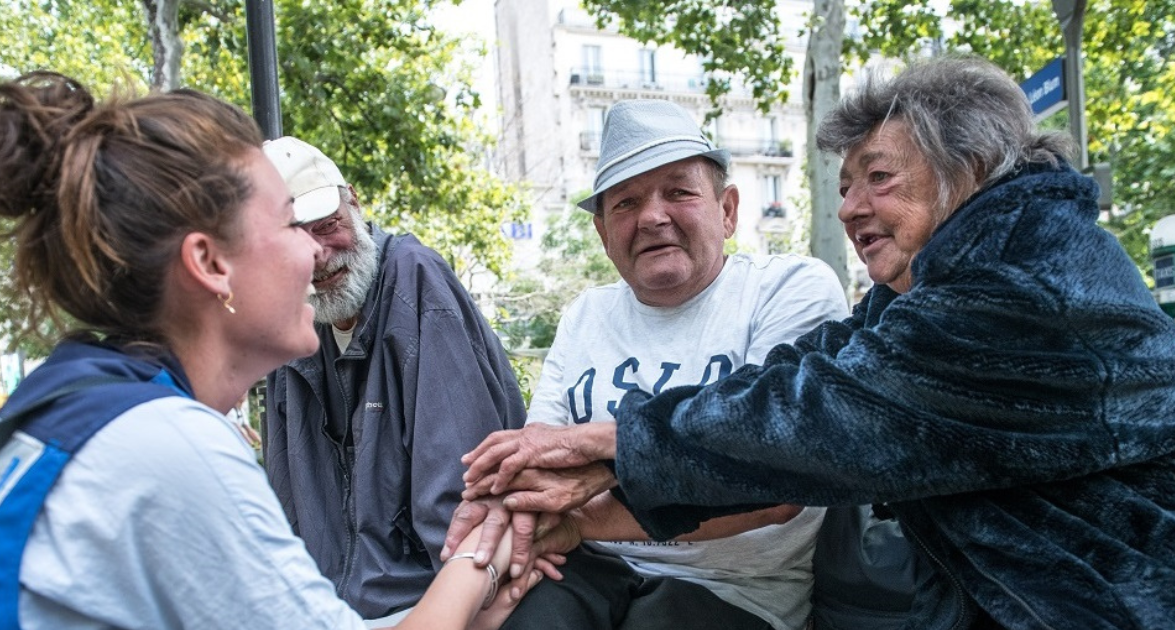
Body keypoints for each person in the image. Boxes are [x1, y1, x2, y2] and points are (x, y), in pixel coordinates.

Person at [455, 56, 1175, 629]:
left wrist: (603, 448)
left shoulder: (1028, 279)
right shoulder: (926, 287)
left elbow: (823, 418)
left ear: (966, 169)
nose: (849, 208)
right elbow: (802, 372)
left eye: (878, 178)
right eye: (845, 187)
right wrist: (561, 485)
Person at [0, 70, 552, 629]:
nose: (313, 255)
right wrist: (481, 563)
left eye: (321, 225)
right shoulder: (170, 447)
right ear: (210, 264)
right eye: (290, 225)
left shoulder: (81, 402)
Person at [485, 99, 848, 630]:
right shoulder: (585, 314)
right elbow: (542, 462)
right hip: (585, 569)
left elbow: (777, 484)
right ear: (603, 234)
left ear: (727, 210)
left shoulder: (789, 288)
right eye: (626, 202)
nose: (652, 217)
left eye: (679, 192)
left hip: (734, 590)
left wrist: (585, 516)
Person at [259, 136, 527, 622]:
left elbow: (463, 494)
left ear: (354, 202)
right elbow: (285, 494)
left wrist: (462, 610)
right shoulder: (290, 317)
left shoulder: (415, 280)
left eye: (328, 226)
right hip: (328, 608)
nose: (318, 254)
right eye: (295, 238)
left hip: (427, 602)